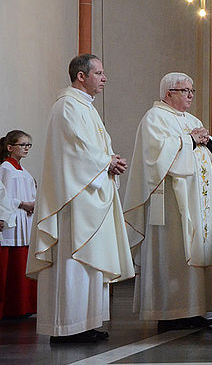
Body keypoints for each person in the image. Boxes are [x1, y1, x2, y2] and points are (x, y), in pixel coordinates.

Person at [26, 54, 134, 343]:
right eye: (98, 73)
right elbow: (75, 151)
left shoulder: (85, 107)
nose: (104, 78)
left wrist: (109, 161)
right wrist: (106, 162)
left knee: (89, 262)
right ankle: (66, 327)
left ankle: (87, 323)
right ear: (81, 76)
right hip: (73, 200)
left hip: (90, 196)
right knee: (73, 261)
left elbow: (92, 148)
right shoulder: (67, 107)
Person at [123, 72, 212, 332]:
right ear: (168, 93)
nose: (190, 95)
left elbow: (208, 154)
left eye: (192, 90)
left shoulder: (192, 119)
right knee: (173, 254)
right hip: (171, 204)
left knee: (198, 251)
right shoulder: (154, 118)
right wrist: (189, 140)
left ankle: (194, 310)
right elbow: (155, 157)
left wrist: (209, 142)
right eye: (185, 91)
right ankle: (169, 312)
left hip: (196, 201)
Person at [0, 130, 38, 318]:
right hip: (13, 220)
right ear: (10, 147)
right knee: (13, 265)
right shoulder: (6, 168)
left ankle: (26, 306)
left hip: (26, 219)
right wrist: (22, 203)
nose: (26, 149)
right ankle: (11, 308)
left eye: (28, 145)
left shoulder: (23, 171)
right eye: (23, 145)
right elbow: (3, 197)